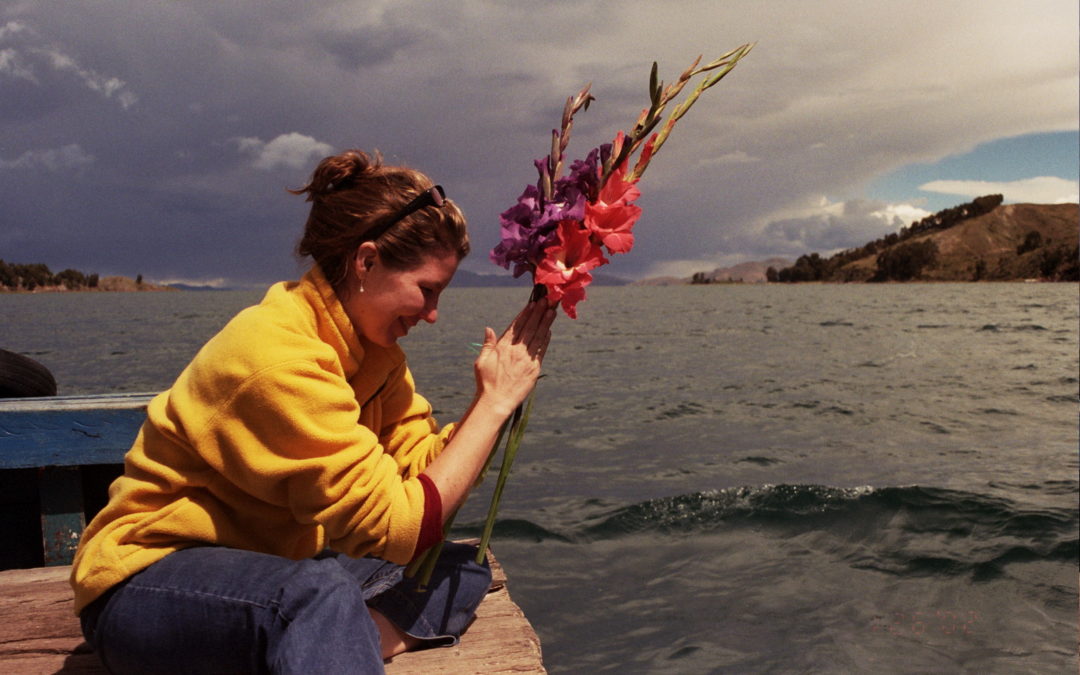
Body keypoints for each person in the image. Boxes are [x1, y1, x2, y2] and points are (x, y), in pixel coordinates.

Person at [69, 149, 556, 674]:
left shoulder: (375, 357)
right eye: (427, 290)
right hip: (147, 586)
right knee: (318, 595)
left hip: (272, 571)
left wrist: (495, 401)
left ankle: (340, 638)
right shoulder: (277, 357)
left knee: (462, 567)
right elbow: (400, 527)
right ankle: (333, 633)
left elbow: (419, 470)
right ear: (366, 262)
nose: (433, 315)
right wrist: (494, 403)